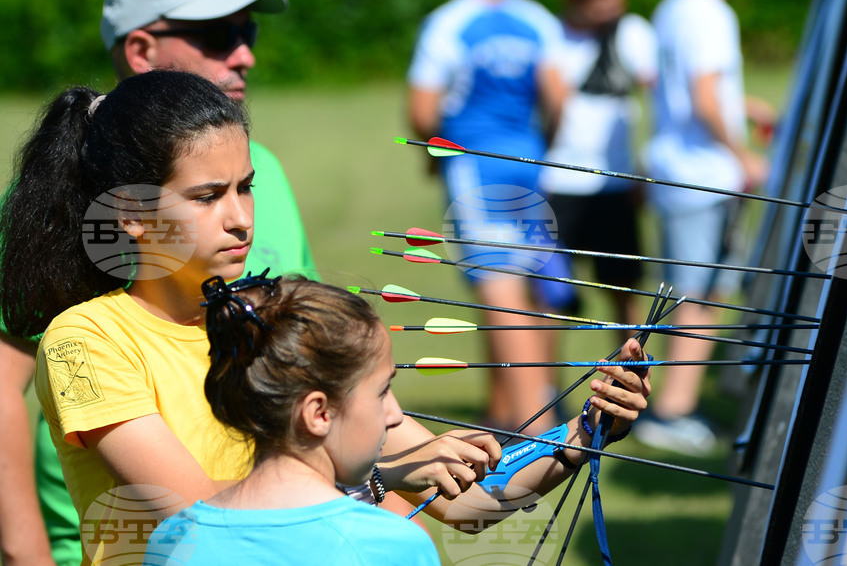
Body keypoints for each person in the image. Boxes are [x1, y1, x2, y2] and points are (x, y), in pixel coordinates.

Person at [2, 71, 650, 563]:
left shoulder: (281, 316)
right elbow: (202, 519)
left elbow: (471, 503)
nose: (240, 216)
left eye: (245, 186)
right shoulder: (87, 339)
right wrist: (384, 476)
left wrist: (586, 431)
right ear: (133, 215)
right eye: (207, 196)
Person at [0, 0, 319, 566]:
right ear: (142, 51)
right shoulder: (50, 201)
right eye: (219, 34)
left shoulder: (269, 172)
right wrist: (24, 552)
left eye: (248, 30)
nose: (245, 52)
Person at [145, 276, 439, 566]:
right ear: (318, 414)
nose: (395, 415)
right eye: (382, 391)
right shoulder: (391, 546)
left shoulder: (173, 539)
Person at [408, 0, 570, 433]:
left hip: (474, 167)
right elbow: (558, 96)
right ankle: (505, 409)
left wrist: (430, 156)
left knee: (497, 285)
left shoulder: (448, 23)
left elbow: (422, 110)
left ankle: (530, 423)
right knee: (526, 281)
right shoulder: (538, 19)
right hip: (531, 160)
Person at [638, 0, 773, 455]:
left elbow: (684, 89)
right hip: (702, 178)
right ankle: (671, 412)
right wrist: (744, 154)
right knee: (701, 297)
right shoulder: (710, 12)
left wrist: (748, 106)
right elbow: (702, 96)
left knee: (685, 293)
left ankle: (668, 405)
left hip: (675, 172)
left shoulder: (673, 6)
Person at [540, 0, 657, 328]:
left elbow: (660, 97)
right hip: (560, 182)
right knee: (551, 294)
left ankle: (629, 377)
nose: (611, 7)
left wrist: (644, 169)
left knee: (623, 288)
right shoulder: (549, 37)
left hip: (616, 182)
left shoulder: (633, 32)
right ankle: (543, 387)